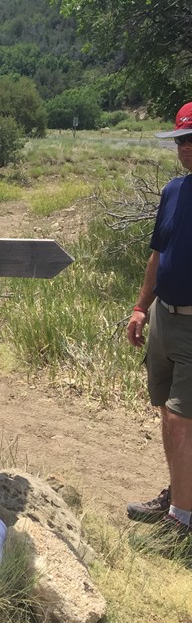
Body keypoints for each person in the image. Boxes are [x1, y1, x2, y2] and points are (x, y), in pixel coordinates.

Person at [125, 101, 192, 538]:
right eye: (181, 140)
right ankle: (179, 495)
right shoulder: (174, 191)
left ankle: (181, 522)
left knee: (181, 418)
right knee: (168, 412)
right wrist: (140, 307)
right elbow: (158, 254)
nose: (185, 147)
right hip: (163, 316)